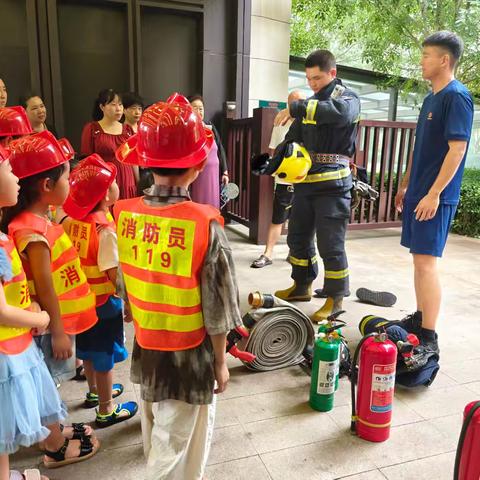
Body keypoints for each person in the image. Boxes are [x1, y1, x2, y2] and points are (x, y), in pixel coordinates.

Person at [114, 93, 242, 480]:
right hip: (191, 356)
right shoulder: (206, 223)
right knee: (178, 452)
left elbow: (125, 287)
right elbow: (218, 308)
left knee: (156, 430)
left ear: (145, 161)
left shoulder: (124, 214)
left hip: (147, 346)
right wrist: (221, 362)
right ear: (199, 165)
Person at [0, 144, 99, 475]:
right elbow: (44, 286)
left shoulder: (37, 219)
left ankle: (53, 434)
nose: (70, 184)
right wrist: (56, 329)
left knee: (46, 386)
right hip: (38, 329)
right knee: (47, 386)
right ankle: (54, 445)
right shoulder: (31, 230)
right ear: (45, 185)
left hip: (35, 325)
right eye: (67, 177)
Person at [394, 31, 473, 355]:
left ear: (444, 60)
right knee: (419, 261)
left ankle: (429, 337)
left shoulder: (457, 96)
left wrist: (434, 193)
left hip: (436, 197)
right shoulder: (431, 99)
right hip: (420, 193)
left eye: (427, 55)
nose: (421, 61)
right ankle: (421, 317)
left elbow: (457, 149)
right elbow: (421, 148)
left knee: (427, 263)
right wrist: (407, 185)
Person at [273, 49, 360, 322]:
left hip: (334, 185)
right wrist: (275, 159)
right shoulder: (309, 104)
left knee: (331, 246)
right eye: (309, 78)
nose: (312, 84)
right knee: (297, 239)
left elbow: (339, 114)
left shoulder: (347, 98)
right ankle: (301, 286)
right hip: (304, 185)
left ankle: (335, 299)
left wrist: (294, 107)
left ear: (332, 73)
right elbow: (293, 138)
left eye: (318, 78)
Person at [62, 154, 138, 427]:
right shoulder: (104, 229)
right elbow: (113, 273)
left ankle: (94, 394)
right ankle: (106, 410)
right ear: (107, 194)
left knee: (89, 353)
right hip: (104, 304)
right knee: (105, 359)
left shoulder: (72, 221)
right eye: (115, 182)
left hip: (81, 302)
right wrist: (129, 302)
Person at [251, 90, 305, 268]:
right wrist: (276, 171)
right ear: (288, 104)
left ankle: (294, 252)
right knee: (278, 218)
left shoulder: (311, 122)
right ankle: (268, 253)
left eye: (302, 101)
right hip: (284, 181)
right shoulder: (280, 123)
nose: (298, 105)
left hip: (305, 181)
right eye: (294, 102)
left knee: (300, 219)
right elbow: (273, 151)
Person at [81, 89, 137, 200]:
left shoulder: (127, 129)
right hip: (105, 182)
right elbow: (86, 160)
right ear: (102, 107)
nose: (118, 108)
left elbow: (133, 159)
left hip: (127, 181)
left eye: (120, 105)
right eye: (113, 104)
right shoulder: (92, 128)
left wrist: (137, 182)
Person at [188, 94, 229, 208]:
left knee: (213, 201)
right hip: (197, 174)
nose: (198, 111)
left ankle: (211, 224)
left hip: (214, 172)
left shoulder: (210, 126)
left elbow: (220, 148)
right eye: (194, 108)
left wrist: (225, 171)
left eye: (201, 108)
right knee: (199, 201)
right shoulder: (187, 129)